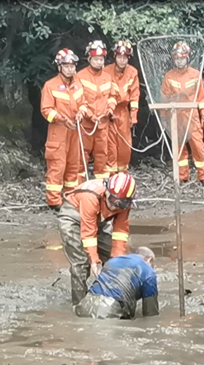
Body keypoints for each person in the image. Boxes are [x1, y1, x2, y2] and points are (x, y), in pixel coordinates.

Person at [58, 172, 136, 306]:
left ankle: (113, 295)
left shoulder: (124, 204)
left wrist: (117, 261)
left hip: (97, 220)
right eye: (112, 200)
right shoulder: (91, 196)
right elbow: (88, 234)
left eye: (120, 204)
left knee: (115, 260)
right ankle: (79, 304)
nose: (114, 206)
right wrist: (94, 261)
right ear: (106, 191)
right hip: (73, 217)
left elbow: (120, 233)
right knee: (81, 263)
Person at [40, 48, 91, 210]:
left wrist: (81, 113)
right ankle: (54, 202)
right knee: (57, 166)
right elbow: (46, 110)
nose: (70, 69)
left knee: (73, 166)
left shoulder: (78, 84)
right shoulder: (50, 86)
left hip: (75, 131)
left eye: (72, 66)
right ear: (59, 67)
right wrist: (62, 119)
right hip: (58, 133)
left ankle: (71, 197)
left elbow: (84, 103)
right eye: (66, 66)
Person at [160, 41, 204, 185]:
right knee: (179, 149)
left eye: (182, 58)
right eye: (176, 58)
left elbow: (202, 97)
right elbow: (164, 99)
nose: (179, 61)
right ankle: (182, 176)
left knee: (198, 147)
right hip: (175, 117)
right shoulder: (169, 76)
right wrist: (164, 117)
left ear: (187, 58)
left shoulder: (195, 75)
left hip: (192, 116)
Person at [76, 40, 119, 183]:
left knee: (102, 155)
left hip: (103, 124)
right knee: (82, 155)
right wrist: (90, 115)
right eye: (96, 59)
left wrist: (110, 109)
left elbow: (113, 96)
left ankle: (101, 187)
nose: (99, 62)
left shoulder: (108, 77)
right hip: (86, 125)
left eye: (101, 59)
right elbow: (78, 100)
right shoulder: (80, 77)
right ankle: (80, 187)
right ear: (89, 59)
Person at [74, 246, 159, 319]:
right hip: (109, 311)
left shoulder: (113, 261)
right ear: (149, 260)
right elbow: (150, 314)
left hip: (86, 304)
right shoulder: (148, 271)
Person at [104, 39, 141, 175]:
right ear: (115, 56)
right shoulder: (106, 71)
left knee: (125, 145)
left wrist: (133, 115)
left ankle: (122, 174)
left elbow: (135, 95)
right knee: (110, 146)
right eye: (119, 57)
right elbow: (103, 93)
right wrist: (108, 110)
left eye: (125, 57)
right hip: (109, 113)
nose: (122, 60)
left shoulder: (132, 72)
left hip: (124, 113)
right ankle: (111, 176)